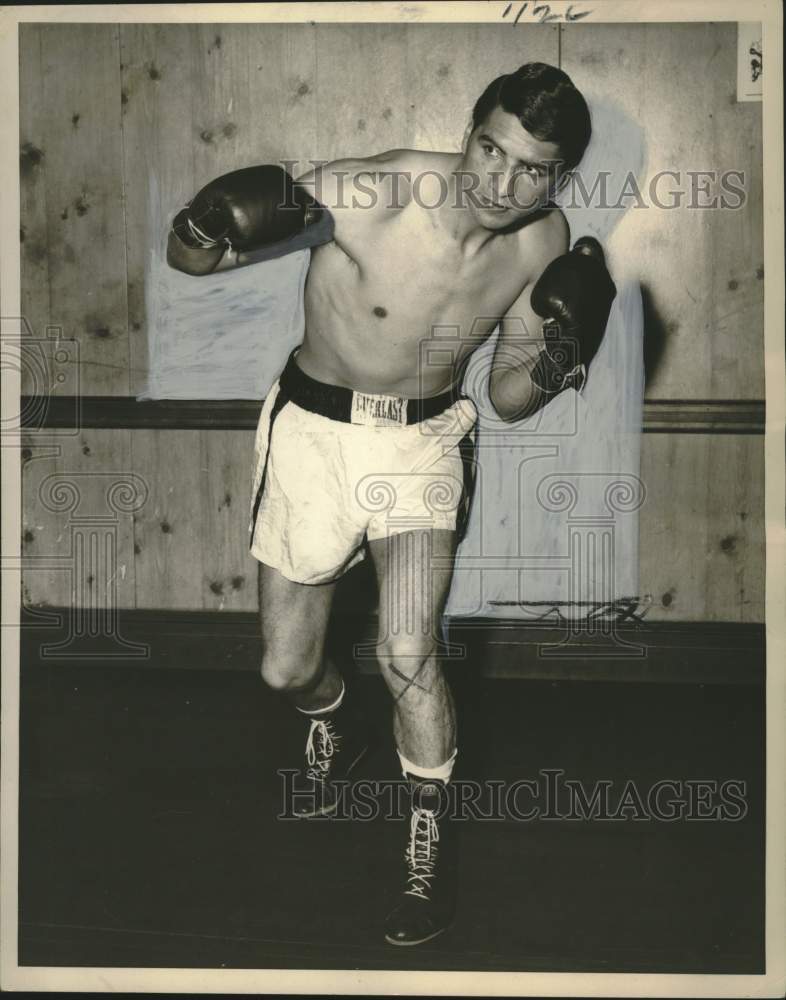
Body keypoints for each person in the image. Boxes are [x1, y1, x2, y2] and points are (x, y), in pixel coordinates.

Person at [167, 62, 616, 947]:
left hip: (425, 440)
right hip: (314, 433)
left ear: (557, 178)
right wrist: (202, 221)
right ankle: (332, 717)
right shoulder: (365, 194)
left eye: (532, 169)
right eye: (491, 148)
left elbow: (511, 395)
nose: (501, 181)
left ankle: (424, 840)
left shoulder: (540, 241)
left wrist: (564, 357)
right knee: (286, 670)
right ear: (470, 131)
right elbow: (192, 262)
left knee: (409, 648)